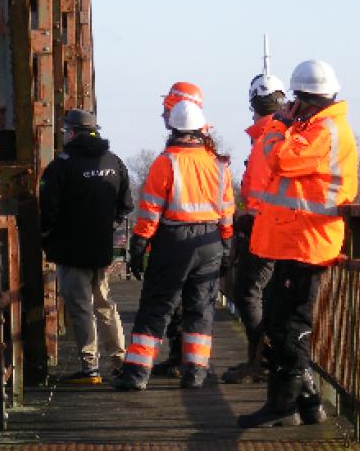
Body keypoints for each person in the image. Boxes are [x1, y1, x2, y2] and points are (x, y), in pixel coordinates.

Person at [238, 60, 358, 428]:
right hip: (297, 239)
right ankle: (306, 403)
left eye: (295, 101)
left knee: (289, 325)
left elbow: (280, 159)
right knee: (279, 318)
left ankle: (284, 406)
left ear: (305, 99)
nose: (290, 106)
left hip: (309, 240)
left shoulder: (325, 130)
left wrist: (279, 126)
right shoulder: (317, 127)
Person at [115, 100, 235, 390]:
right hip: (210, 241)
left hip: (175, 240)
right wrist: (227, 244)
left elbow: (151, 209)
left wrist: (140, 242)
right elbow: (227, 210)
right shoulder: (218, 164)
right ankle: (195, 371)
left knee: (157, 305)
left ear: (173, 128)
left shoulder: (166, 162)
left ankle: (136, 374)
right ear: (200, 129)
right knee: (200, 308)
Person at [39, 109, 133, 384]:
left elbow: (48, 211)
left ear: (71, 132)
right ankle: (120, 361)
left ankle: (90, 367)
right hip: (101, 248)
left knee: (81, 307)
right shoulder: (114, 162)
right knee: (105, 304)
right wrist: (107, 225)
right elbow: (126, 205)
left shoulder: (61, 166)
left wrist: (48, 238)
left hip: (70, 250)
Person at [221, 71, 287, 384]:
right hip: (283, 227)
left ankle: (261, 361)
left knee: (247, 291)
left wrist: (248, 219)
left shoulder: (266, 138)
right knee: (267, 293)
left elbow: (260, 191)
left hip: (266, 230)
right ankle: (264, 359)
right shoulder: (286, 133)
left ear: (253, 104)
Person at [152, 81, 205, 378]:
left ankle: (184, 361)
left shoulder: (176, 155)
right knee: (195, 304)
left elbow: (155, 202)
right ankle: (188, 363)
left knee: (182, 301)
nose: (162, 113)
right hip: (204, 238)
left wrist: (143, 238)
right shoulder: (206, 151)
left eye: (167, 108)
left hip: (178, 235)